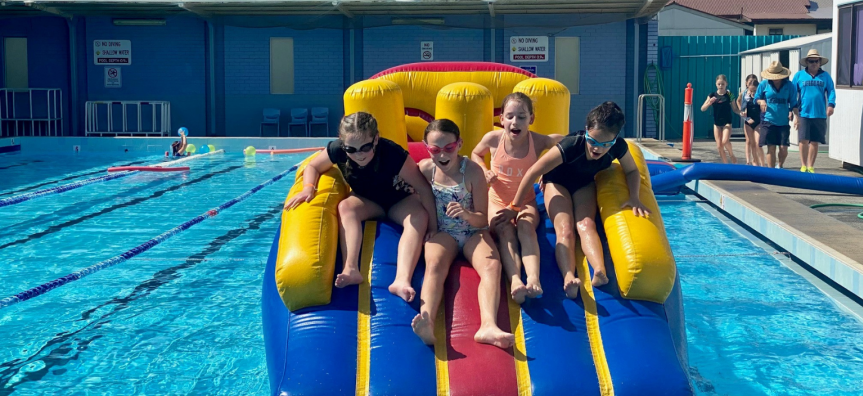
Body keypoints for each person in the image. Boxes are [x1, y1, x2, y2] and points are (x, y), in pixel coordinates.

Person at [496, 102, 650, 299]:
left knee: (586, 224)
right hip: (556, 182)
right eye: (593, 141)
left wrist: (634, 197)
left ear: (615, 140)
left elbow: (631, 170)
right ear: (586, 131)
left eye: (605, 145)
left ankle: (599, 271)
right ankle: (568, 276)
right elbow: (533, 172)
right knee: (566, 228)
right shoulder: (571, 145)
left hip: (583, 183)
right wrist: (514, 207)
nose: (597, 149)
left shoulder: (619, 147)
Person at [284, 112, 436, 302]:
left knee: (419, 216)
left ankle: (402, 279)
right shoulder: (337, 149)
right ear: (342, 143)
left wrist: (433, 227)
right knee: (346, 207)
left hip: (400, 199)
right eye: (351, 149)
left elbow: (423, 187)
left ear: (376, 139)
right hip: (368, 200)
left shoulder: (392, 153)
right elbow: (313, 166)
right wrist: (308, 188)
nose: (359, 154)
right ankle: (351, 268)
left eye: (365, 147)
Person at [412, 119, 515, 349]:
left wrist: (466, 214)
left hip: (473, 231)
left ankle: (488, 325)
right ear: (426, 147)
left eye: (448, 148)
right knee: (435, 265)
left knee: (492, 265)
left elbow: (483, 218)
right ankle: (426, 320)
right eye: (434, 150)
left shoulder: (473, 172)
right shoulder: (425, 169)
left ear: (459, 144)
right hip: (443, 232)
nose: (442, 155)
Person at [470, 92, 564, 304]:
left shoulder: (538, 141)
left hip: (526, 202)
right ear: (501, 119)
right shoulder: (493, 139)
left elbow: (562, 145)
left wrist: (549, 175)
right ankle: (514, 280)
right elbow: (476, 154)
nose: (515, 122)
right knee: (505, 231)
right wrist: (484, 170)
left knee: (525, 227)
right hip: (496, 201)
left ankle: (533, 278)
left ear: (531, 119)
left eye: (521, 117)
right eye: (510, 116)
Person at [792, 49, 836, 173]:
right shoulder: (799, 75)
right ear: (807, 62)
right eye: (811, 61)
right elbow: (792, 93)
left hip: (819, 113)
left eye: (816, 61)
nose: (813, 63)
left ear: (819, 62)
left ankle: (811, 166)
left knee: (815, 141)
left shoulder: (825, 76)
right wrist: (792, 110)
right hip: (804, 112)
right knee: (803, 140)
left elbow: (831, 90)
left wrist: (831, 105)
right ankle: (803, 165)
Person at [755, 61, 799, 169]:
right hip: (768, 120)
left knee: (784, 148)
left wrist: (796, 117)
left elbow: (794, 103)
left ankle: (780, 165)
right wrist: (761, 101)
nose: (775, 78)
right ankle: (771, 172)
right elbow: (756, 98)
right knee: (771, 147)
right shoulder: (764, 84)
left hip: (783, 121)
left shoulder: (789, 86)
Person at [700, 74, 738, 164]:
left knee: (724, 141)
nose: (721, 86)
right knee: (719, 146)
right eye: (719, 84)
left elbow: (735, 108)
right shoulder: (712, 95)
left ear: (726, 84)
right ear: (716, 84)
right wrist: (709, 103)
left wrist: (742, 113)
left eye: (723, 84)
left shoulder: (730, 95)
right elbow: (702, 109)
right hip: (717, 123)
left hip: (727, 122)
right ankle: (726, 165)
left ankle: (731, 154)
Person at [737, 74, 765, 166]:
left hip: (758, 122)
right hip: (748, 121)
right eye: (751, 90)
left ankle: (762, 163)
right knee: (751, 142)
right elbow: (741, 105)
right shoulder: (745, 94)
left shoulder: (761, 95)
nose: (753, 92)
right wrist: (743, 112)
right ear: (747, 85)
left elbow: (763, 108)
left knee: (758, 143)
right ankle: (753, 161)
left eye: (755, 90)